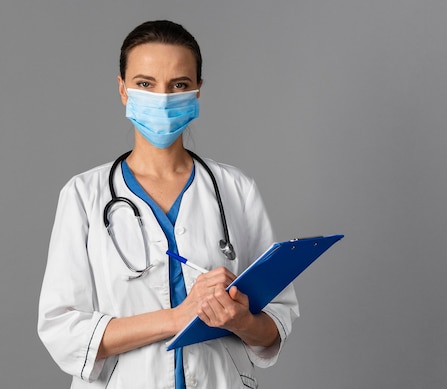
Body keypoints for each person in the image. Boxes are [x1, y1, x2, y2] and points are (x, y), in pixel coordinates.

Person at [38, 20, 299, 389]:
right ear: (122, 90)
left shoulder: (236, 190)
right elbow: (62, 331)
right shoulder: (84, 194)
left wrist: (238, 320)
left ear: (197, 91)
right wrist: (178, 318)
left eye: (178, 85)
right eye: (145, 84)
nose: (162, 98)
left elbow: (275, 327)